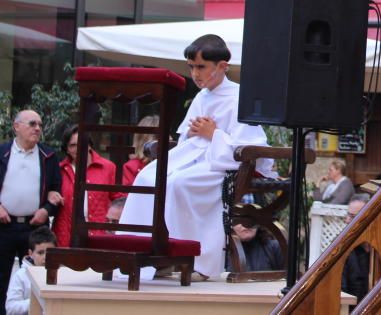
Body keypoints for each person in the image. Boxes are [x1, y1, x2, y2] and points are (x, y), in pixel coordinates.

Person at [118, 34, 272, 280]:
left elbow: (249, 146)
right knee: (147, 177)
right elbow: (185, 140)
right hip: (194, 160)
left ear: (223, 66)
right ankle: (149, 253)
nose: (195, 74)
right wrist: (192, 134)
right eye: (191, 67)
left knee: (180, 184)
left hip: (224, 167)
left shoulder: (240, 97)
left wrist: (214, 134)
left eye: (201, 67)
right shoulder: (201, 97)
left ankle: (197, 260)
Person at [0, 110, 61, 315]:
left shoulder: (49, 155)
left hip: (34, 227)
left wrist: (46, 210)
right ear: (16, 127)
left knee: (37, 276)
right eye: (32, 124)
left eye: (40, 125)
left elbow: (56, 190)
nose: (38, 128)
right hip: (4, 227)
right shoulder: (2, 153)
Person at [52, 125, 120, 248]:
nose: (78, 148)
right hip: (66, 234)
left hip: (99, 233)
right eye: (72, 145)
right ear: (66, 149)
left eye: (81, 143)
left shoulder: (108, 167)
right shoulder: (59, 170)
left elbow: (118, 199)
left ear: (89, 145)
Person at [5, 226, 55, 315]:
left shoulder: (62, 273)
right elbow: (11, 308)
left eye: (50, 252)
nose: (45, 257)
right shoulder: (20, 275)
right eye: (40, 253)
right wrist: (38, 301)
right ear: (31, 253)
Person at [341, 194, 370, 307]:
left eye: (353, 217)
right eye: (348, 215)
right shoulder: (343, 249)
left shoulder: (379, 251)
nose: (347, 221)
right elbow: (340, 291)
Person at [121, 115, 159, 187]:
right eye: (159, 137)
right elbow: (127, 196)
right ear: (147, 139)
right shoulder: (131, 167)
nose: (170, 138)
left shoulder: (170, 163)